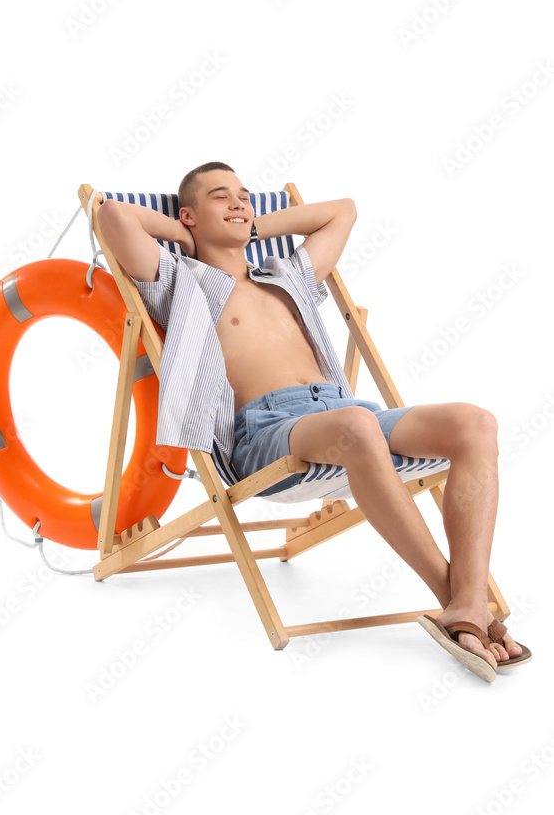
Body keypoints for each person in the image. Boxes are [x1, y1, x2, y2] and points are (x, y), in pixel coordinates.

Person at [96, 161, 530, 681]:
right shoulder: (180, 280)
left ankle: (467, 604)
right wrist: (184, 237)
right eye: (220, 196)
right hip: (265, 432)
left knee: (476, 424)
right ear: (188, 214)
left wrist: (250, 230)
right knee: (359, 428)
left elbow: (342, 212)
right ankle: (460, 602)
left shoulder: (286, 274)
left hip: (343, 412)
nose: (238, 202)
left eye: (244, 196)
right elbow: (113, 215)